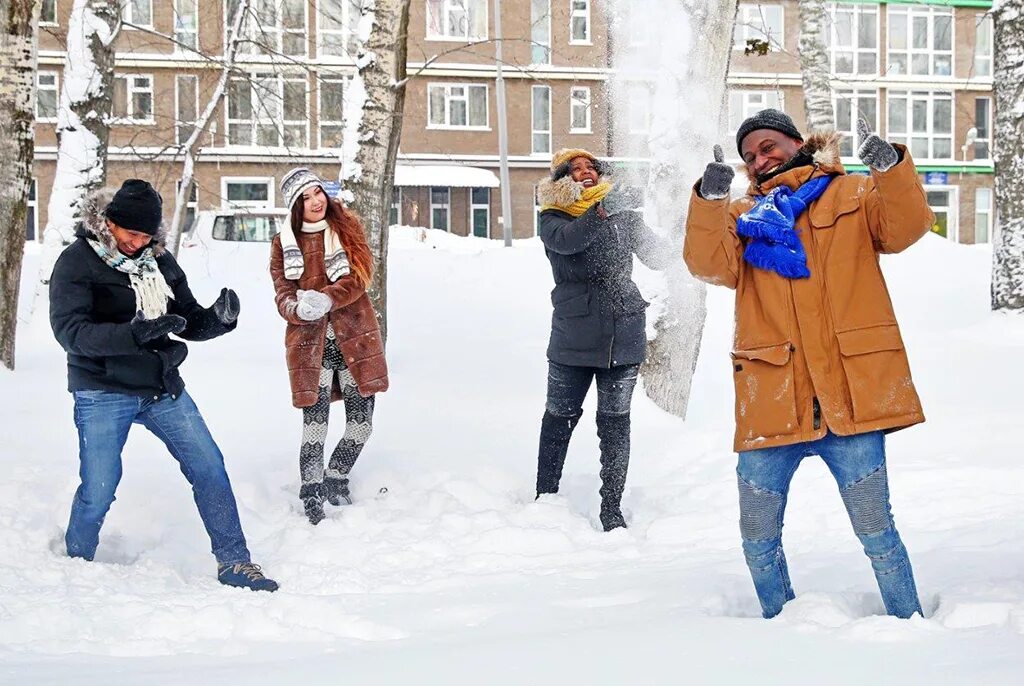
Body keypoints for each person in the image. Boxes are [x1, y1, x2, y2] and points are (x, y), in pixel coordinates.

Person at [684, 109, 933, 619]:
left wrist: (889, 170)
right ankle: (781, 629)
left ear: (798, 142)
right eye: (750, 155)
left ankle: (910, 626)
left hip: (850, 397)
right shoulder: (741, 217)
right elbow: (709, 266)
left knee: (877, 533)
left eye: (769, 145)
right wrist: (709, 203)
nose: (759, 158)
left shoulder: (852, 195)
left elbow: (905, 229)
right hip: (774, 401)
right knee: (757, 538)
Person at [49, 179, 278, 592]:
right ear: (109, 223)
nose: (138, 243)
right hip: (102, 388)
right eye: (130, 233)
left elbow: (185, 317)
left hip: (160, 385)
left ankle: (235, 562)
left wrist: (218, 320)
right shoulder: (77, 261)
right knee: (100, 485)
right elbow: (71, 333)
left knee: (209, 466)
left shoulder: (159, 260)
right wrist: (133, 334)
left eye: (146, 235)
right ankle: (76, 561)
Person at [535, 148, 671, 531]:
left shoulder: (621, 216)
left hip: (623, 335)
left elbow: (661, 257)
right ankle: (545, 496)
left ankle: (611, 507)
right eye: (575, 169)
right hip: (572, 337)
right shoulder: (554, 217)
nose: (585, 172)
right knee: (559, 418)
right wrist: (600, 209)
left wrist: (687, 217)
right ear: (562, 179)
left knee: (615, 423)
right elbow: (568, 243)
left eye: (591, 167)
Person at [270, 168, 388, 525]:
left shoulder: (347, 229)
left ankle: (337, 476)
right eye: (305, 197)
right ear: (294, 206)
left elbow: (358, 279)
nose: (316, 201)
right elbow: (282, 294)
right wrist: (297, 308)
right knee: (315, 426)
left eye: (318, 192)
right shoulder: (282, 244)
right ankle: (311, 490)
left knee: (361, 425)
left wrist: (325, 299)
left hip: (356, 340)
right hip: (311, 347)